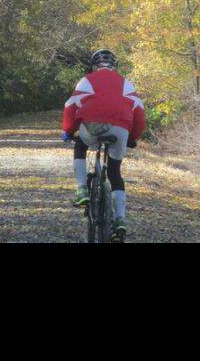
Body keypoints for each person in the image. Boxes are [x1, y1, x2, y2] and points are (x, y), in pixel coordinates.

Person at [61, 49, 146, 241]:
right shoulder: (127, 83)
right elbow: (139, 113)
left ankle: (82, 189)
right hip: (120, 130)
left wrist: (68, 130)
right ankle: (120, 219)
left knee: (81, 146)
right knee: (115, 173)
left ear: (94, 66)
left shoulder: (87, 80)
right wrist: (133, 137)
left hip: (92, 127)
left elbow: (71, 106)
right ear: (115, 67)